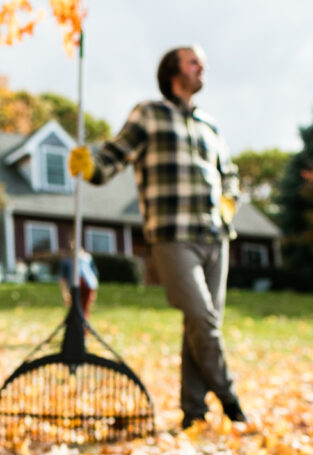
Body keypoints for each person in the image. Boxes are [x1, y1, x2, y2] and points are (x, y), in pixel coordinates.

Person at [68, 45, 248, 428]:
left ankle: (194, 413)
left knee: (199, 324)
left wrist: (229, 199)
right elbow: (112, 159)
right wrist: (90, 166)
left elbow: (229, 173)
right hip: (173, 235)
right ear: (173, 71)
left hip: (216, 235)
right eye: (194, 61)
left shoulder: (209, 125)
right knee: (204, 318)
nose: (203, 67)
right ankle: (231, 400)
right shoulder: (149, 114)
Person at [58, 243, 100, 319]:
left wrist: (95, 290)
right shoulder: (67, 260)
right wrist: (64, 293)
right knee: (75, 308)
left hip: (88, 285)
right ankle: (75, 327)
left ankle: (83, 328)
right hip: (74, 287)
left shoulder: (87, 258)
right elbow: (63, 279)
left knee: (85, 309)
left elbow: (94, 274)